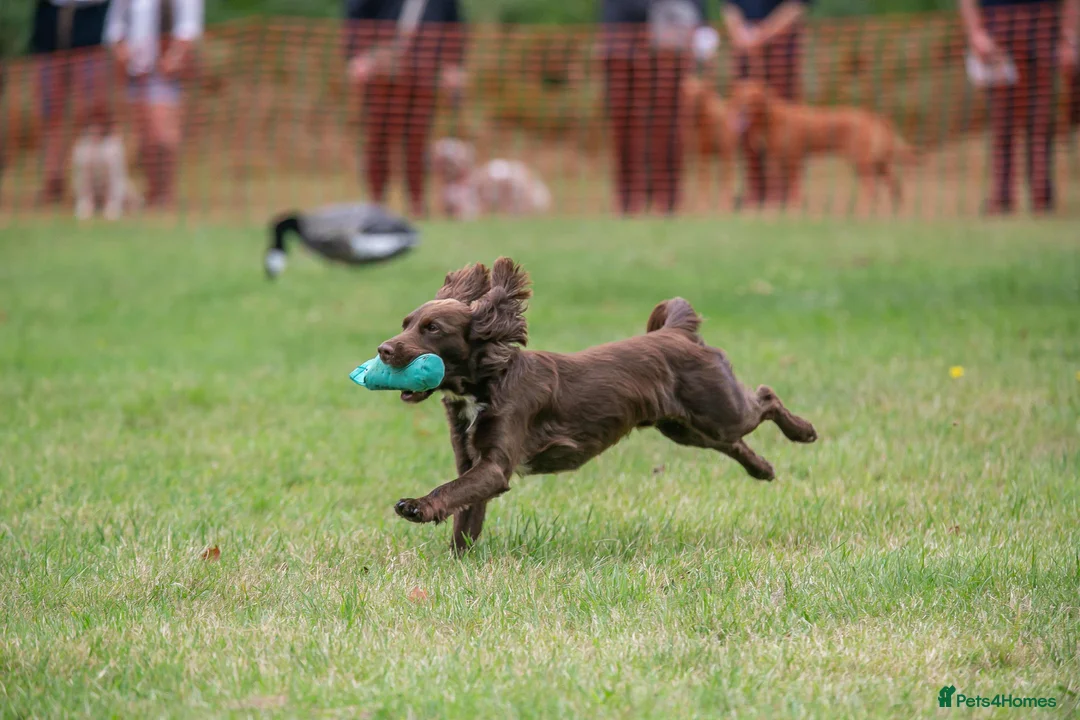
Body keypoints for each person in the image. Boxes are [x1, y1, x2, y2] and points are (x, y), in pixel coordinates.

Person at [344, 0, 467, 218]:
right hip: (379, 66)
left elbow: (453, 21)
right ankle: (376, 206)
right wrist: (357, 55)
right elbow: (356, 14)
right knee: (377, 141)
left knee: (417, 143)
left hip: (425, 68)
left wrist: (454, 64)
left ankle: (417, 207)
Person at [960, 0, 1079, 214]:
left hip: (1044, 23)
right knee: (1001, 124)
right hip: (996, 27)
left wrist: (1068, 38)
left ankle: (1042, 199)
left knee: (1041, 123)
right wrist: (975, 31)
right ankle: (1002, 199)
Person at [601, 0, 713, 216]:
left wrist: (703, 27)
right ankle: (629, 201)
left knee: (668, 126)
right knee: (625, 126)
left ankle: (667, 200)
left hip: (670, 42)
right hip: (621, 40)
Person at [104, 0, 204, 209]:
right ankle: (152, 192)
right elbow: (115, 27)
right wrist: (123, 54)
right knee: (146, 139)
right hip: (135, 74)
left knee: (165, 137)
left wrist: (174, 59)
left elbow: (189, 28)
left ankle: (166, 193)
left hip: (167, 74)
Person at [723, 0, 810, 208]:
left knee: (785, 124)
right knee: (746, 120)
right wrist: (739, 33)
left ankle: (786, 190)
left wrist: (765, 33)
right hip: (744, 46)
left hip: (781, 45)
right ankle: (757, 189)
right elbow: (729, 6)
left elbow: (797, 6)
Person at [28, 0, 112, 206]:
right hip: (50, 18)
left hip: (91, 19)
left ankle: (96, 187)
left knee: (91, 112)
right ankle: (53, 181)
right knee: (49, 111)